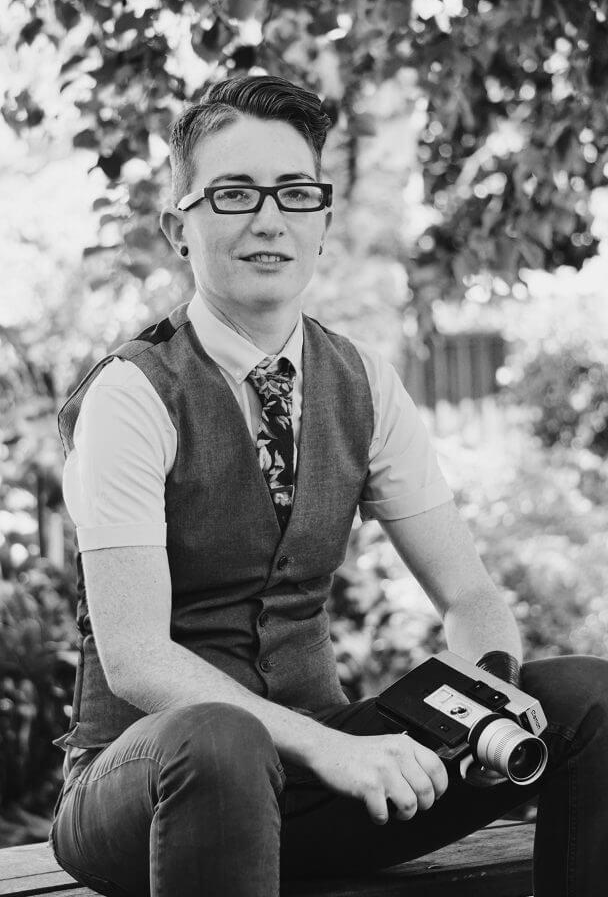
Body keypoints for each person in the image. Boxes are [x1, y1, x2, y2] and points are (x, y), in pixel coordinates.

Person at [49, 74, 608, 897]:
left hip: (316, 788)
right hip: (148, 789)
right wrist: (336, 750)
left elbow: (470, 596)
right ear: (179, 226)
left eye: (294, 193)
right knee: (220, 739)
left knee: (586, 698)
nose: (268, 218)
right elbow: (136, 659)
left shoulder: (361, 380)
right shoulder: (132, 395)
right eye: (234, 194)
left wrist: (483, 702)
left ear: (322, 220)